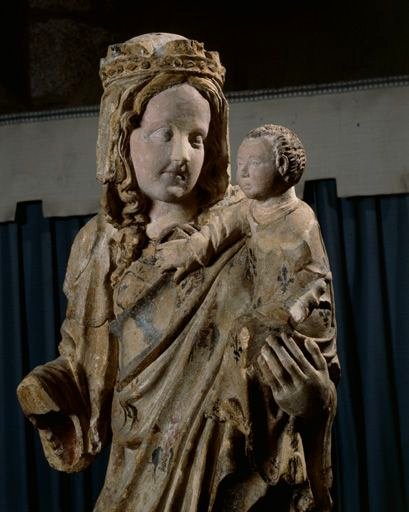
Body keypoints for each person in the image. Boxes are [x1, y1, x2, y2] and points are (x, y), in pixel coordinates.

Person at [17, 34, 338, 512]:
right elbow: (87, 367)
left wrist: (312, 401)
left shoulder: (257, 225)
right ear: (121, 137)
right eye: (163, 134)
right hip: (137, 473)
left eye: (197, 138)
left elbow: (313, 356)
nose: (183, 155)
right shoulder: (97, 245)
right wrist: (51, 389)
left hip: (235, 476)